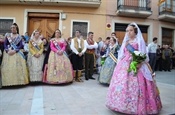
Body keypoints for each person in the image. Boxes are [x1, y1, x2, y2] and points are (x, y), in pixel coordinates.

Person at [106, 22, 162, 114]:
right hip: (124, 64)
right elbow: (122, 54)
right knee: (122, 83)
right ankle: (120, 104)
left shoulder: (139, 41)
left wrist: (139, 62)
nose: (129, 32)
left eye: (131, 30)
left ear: (135, 31)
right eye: (127, 31)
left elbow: (143, 54)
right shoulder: (126, 42)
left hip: (137, 64)